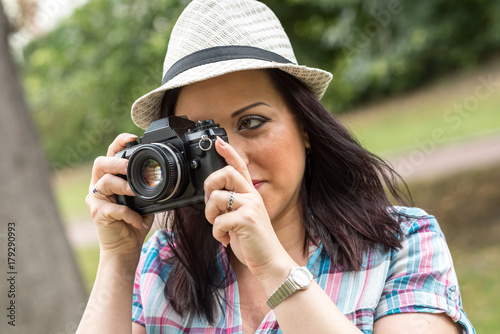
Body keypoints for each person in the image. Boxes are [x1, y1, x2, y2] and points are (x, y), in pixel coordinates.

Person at [77, 0, 475, 333]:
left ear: (305, 127)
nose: (231, 159)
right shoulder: (163, 265)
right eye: (201, 141)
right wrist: (117, 259)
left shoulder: (403, 243)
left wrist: (273, 267)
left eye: (251, 123)